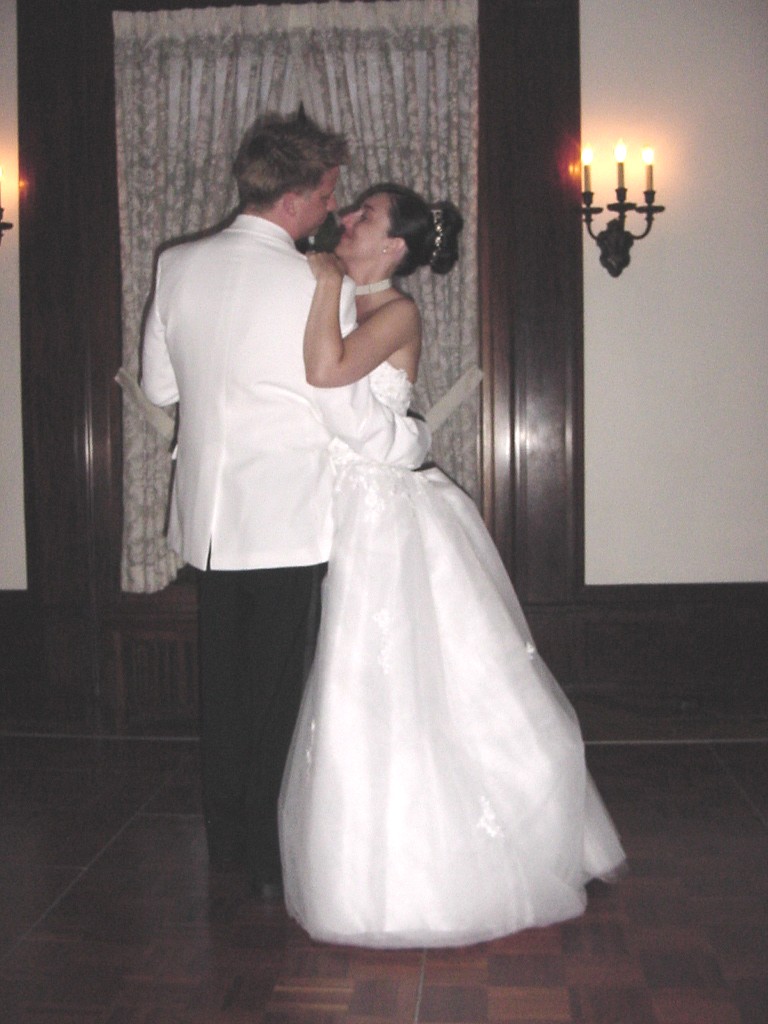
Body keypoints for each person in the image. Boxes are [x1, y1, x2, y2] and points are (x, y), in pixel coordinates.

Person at [278, 183, 626, 947]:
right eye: (352, 210)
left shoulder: (396, 310)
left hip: (383, 521)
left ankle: (445, 869)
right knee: (360, 687)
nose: (346, 219)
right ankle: (363, 867)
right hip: (339, 506)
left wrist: (326, 282)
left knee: (391, 680)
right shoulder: (337, 301)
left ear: (394, 246)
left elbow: (327, 376)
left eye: (364, 215)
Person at [140, 121, 431, 901]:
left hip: (206, 519)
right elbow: (343, 409)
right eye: (330, 194)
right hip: (288, 516)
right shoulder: (314, 280)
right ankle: (266, 857)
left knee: (224, 689)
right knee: (276, 694)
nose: (334, 209)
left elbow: (161, 387)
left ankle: (224, 843)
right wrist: (409, 440)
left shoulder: (177, 263)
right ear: (297, 197)